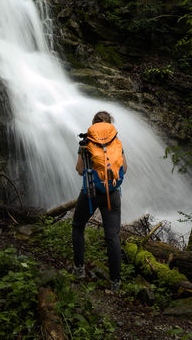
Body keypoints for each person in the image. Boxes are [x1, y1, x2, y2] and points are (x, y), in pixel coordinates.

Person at [72, 111, 127, 292]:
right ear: (110, 123)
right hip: (112, 192)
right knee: (112, 236)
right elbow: (124, 168)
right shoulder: (116, 142)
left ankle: (79, 269)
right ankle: (116, 282)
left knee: (78, 226)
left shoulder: (86, 142)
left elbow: (80, 169)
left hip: (90, 191)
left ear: (93, 123)